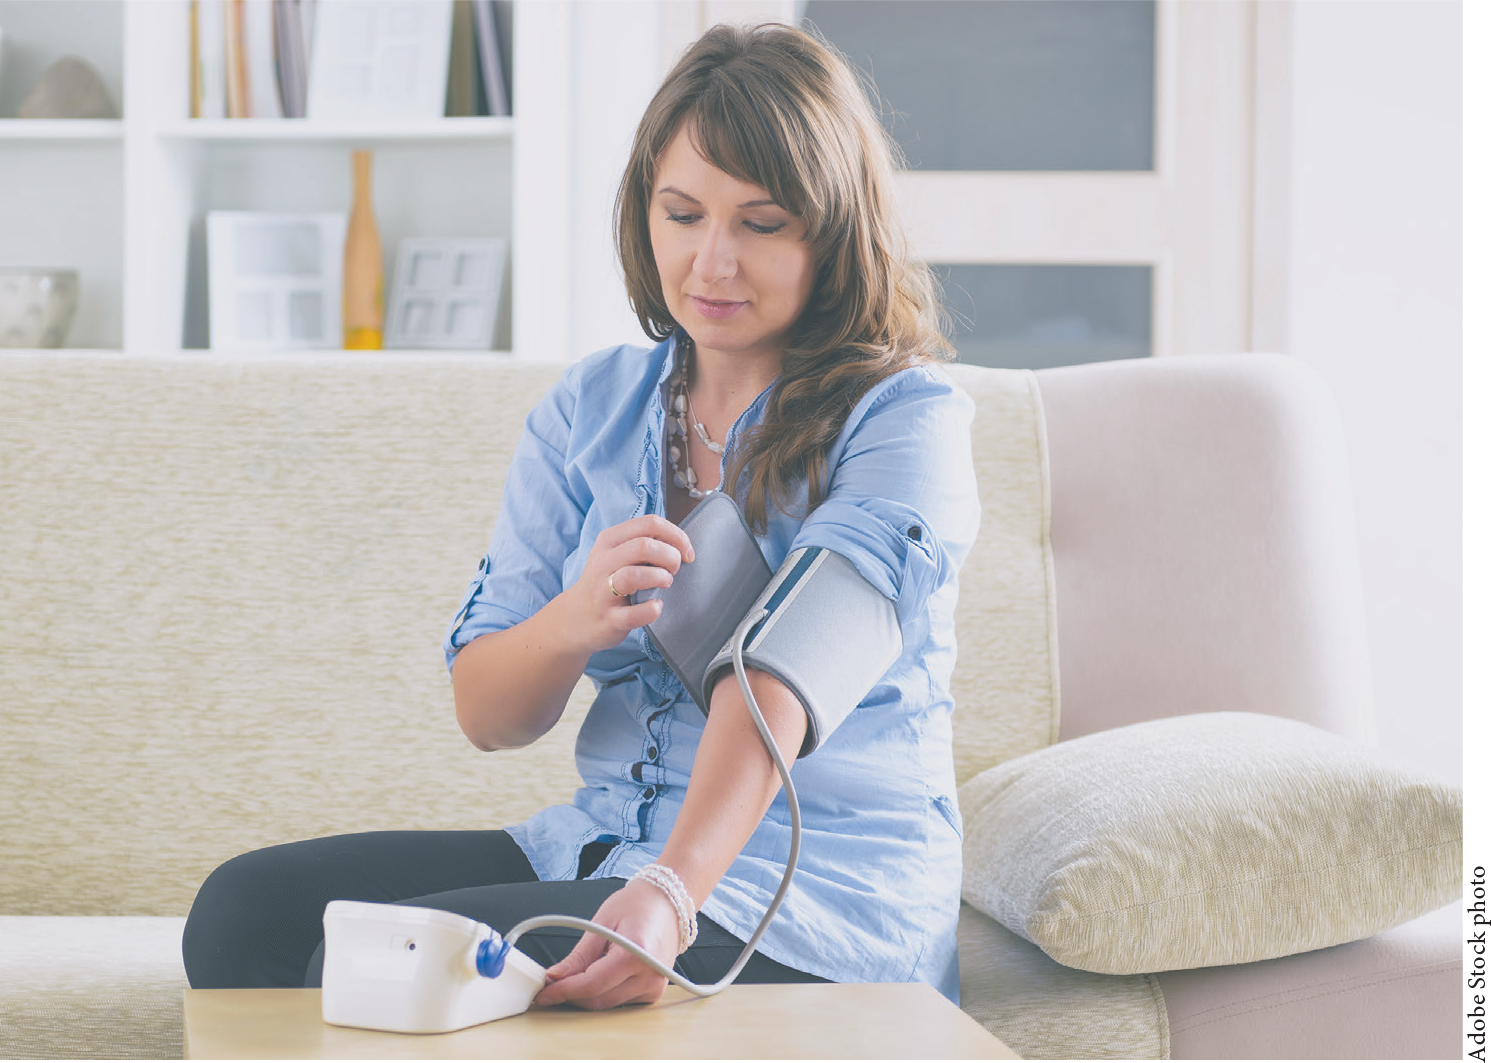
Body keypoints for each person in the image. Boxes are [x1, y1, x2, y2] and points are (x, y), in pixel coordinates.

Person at [182, 21, 979, 1009]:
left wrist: (671, 891)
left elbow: (785, 678)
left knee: (357, 973)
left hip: (815, 893)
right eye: (682, 212)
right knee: (241, 914)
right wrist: (575, 619)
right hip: (610, 840)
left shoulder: (906, 421)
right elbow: (487, 711)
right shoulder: (592, 409)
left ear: (834, 228)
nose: (712, 261)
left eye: (761, 223)